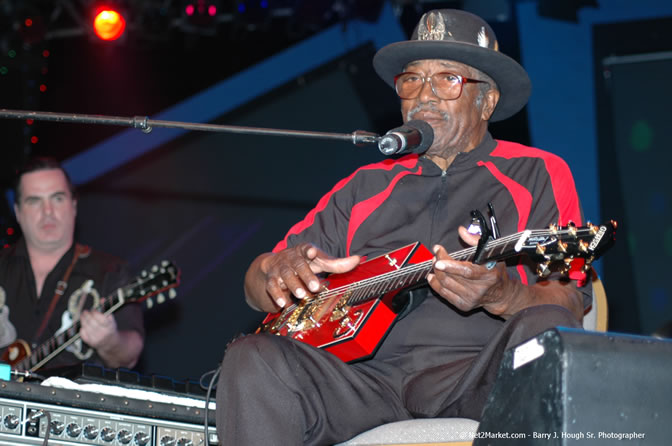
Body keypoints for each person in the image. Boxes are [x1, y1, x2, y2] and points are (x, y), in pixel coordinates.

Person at [216, 9, 591, 445]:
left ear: (486, 101)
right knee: (251, 357)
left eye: (447, 79)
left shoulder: (536, 172)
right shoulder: (364, 186)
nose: (424, 96)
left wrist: (504, 295)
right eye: (412, 80)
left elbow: (570, 300)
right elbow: (254, 288)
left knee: (544, 325)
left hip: (474, 375)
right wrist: (275, 270)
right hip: (363, 384)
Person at [0, 157, 144, 373]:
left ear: (73, 205)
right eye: (34, 201)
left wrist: (110, 342)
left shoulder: (110, 270)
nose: (47, 211)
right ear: (18, 212)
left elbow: (129, 356)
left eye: (57, 198)